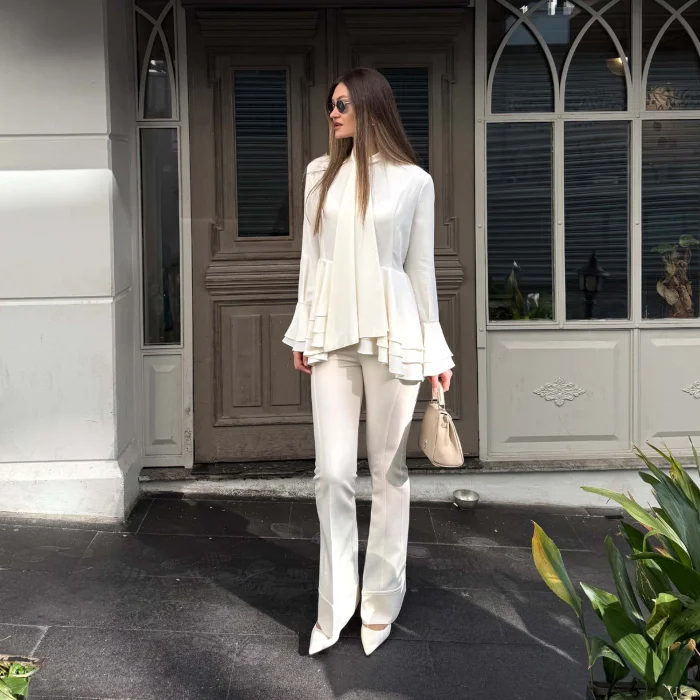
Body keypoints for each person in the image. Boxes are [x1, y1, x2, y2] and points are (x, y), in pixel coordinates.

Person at [283, 67, 455, 656]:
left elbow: (421, 269)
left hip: (395, 334)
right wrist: (304, 329)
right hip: (333, 334)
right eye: (331, 105)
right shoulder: (319, 175)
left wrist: (435, 349)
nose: (332, 114)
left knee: (389, 473)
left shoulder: (414, 182)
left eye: (342, 105)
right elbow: (311, 260)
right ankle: (335, 605)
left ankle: (381, 599)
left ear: (370, 107)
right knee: (332, 473)